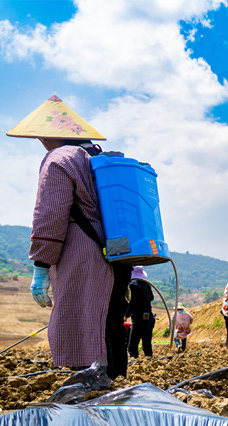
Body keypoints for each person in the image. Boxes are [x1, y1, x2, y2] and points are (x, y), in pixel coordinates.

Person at [8, 95, 132, 379]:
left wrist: (41, 266)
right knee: (109, 322)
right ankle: (114, 390)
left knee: (80, 321)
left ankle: (89, 391)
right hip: (114, 252)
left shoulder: (59, 159)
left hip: (83, 255)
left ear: (47, 136)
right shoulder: (96, 158)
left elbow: (49, 216)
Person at [126, 266, 155, 358]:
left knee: (133, 343)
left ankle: (134, 360)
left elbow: (132, 302)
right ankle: (149, 359)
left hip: (138, 317)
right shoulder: (146, 284)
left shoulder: (133, 285)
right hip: (148, 316)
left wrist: (126, 315)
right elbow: (152, 298)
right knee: (147, 342)